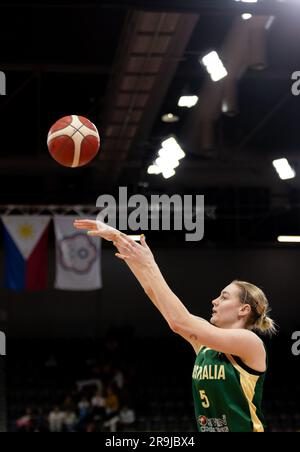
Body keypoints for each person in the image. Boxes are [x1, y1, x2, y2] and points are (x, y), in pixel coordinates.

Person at [74, 219, 277, 433]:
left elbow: (179, 321)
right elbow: (156, 295)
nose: (214, 301)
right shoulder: (206, 345)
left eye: (224, 297)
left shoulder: (249, 342)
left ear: (244, 309)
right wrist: (119, 239)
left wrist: (150, 265)